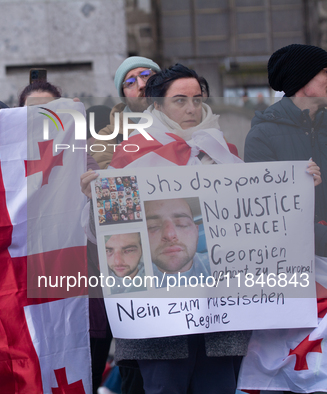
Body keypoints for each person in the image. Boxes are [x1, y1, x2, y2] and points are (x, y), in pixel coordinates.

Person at [81, 64, 248, 394]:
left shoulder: (223, 152)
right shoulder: (133, 153)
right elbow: (107, 234)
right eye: (180, 100)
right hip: (159, 318)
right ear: (157, 106)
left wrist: (301, 182)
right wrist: (94, 200)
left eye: (198, 100)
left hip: (218, 314)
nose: (191, 109)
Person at [245, 43, 324, 257]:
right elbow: (266, 210)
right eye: (325, 71)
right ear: (302, 77)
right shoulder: (262, 136)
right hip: (295, 262)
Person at [91, 56, 161, 169]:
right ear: (124, 96)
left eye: (146, 75)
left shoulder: (186, 119)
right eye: (130, 82)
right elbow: (104, 181)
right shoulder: (109, 137)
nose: (142, 85)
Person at [144, 198, 210, 286]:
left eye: (182, 224)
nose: (169, 235)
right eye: (153, 226)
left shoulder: (224, 266)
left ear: (196, 232)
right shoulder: (129, 288)